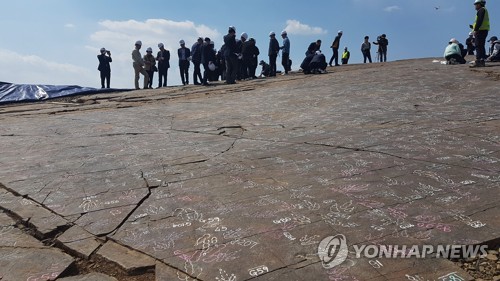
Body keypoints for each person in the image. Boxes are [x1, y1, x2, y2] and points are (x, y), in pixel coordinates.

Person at [470, 0, 489, 68]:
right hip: (483, 30)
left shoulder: (481, 10)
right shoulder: (483, 10)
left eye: (476, 4)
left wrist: (475, 30)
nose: (475, 6)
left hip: (480, 30)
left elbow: (479, 21)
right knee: (481, 45)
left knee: (478, 45)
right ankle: (482, 61)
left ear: (480, 4)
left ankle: (478, 61)